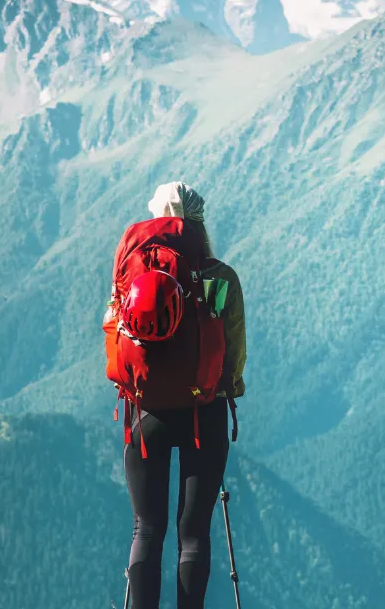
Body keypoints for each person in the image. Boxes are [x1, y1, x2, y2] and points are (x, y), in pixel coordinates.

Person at [104, 182, 246, 608]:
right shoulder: (219, 276)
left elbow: (114, 331)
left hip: (145, 411)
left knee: (146, 528)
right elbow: (234, 354)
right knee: (194, 533)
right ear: (198, 221)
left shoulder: (132, 271)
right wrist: (228, 387)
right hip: (204, 412)